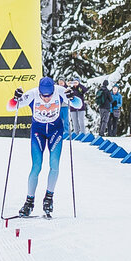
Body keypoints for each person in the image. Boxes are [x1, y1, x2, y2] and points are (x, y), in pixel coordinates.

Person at [9, 76, 82, 217]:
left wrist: (72, 98)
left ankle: (49, 198)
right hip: (38, 132)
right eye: (44, 96)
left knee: (54, 164)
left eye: (49, 96)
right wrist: (15, 98)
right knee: (36, 166)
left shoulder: (60, 91)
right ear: (40, 92)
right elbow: (11, 106)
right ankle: (29, 202)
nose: (47, 99)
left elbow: (78, 105)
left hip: (56, 131)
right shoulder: (32, 94)